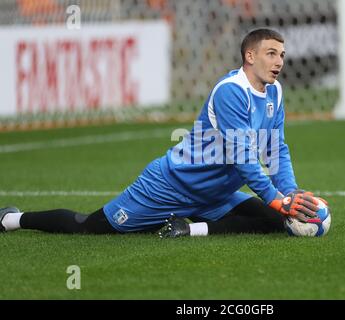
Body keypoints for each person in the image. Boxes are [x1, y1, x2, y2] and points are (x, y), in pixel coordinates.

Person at [0, 28, 325, 237]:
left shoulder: (275, 93)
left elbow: (275, 148)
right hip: (171, 186)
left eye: (282, 54)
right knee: (89, 228)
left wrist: (290, 194)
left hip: (216, 195)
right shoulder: (231, 91)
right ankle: (13, 219)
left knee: (275, 223)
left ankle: (191, 228)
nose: (279, 61)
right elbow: (243, 156)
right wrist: (273, 197)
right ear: (249, 56)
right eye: (271, 53)